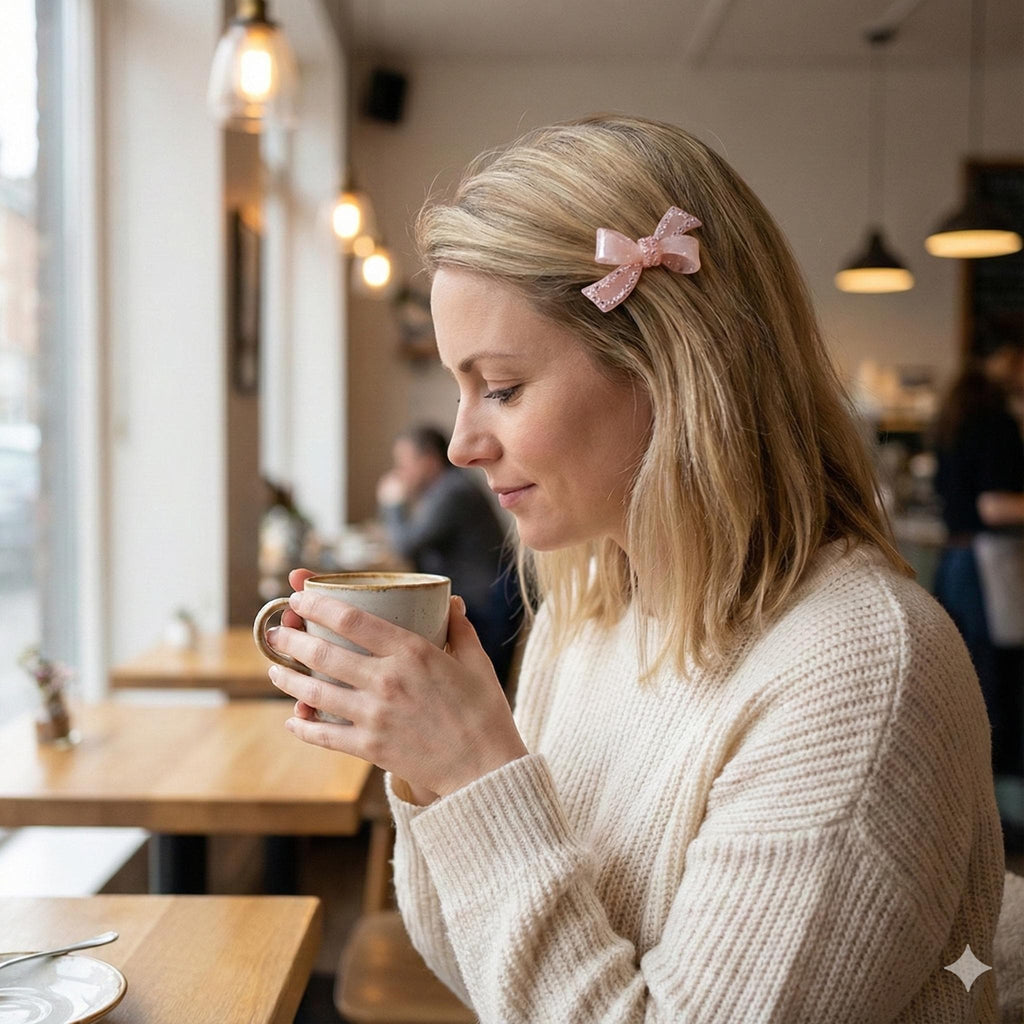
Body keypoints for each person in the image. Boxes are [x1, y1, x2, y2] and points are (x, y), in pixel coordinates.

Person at [267, 115, 1003, 1022]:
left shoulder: (857, 675)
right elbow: (485, 975)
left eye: (501, 386)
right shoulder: (596, 605)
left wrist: (474, 775)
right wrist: (428, 769)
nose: (461, 442)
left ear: (668, 364)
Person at [932, 333, 1024, 793]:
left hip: (954, 559)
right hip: (985, 565)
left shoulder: (958, 413)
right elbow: (995, 507)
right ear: (1004, 358)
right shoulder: (996, 421)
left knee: (965, 684)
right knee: (992, 684)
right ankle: (991, 803)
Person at [376, 424, 521, 687]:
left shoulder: (453, 492)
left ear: (430, 461)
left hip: (488, 602)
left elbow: (407, 544)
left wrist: (393, 504)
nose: (400, 473)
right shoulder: (445, 488)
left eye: (405, 463)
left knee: (480, 689)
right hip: (487, 596)